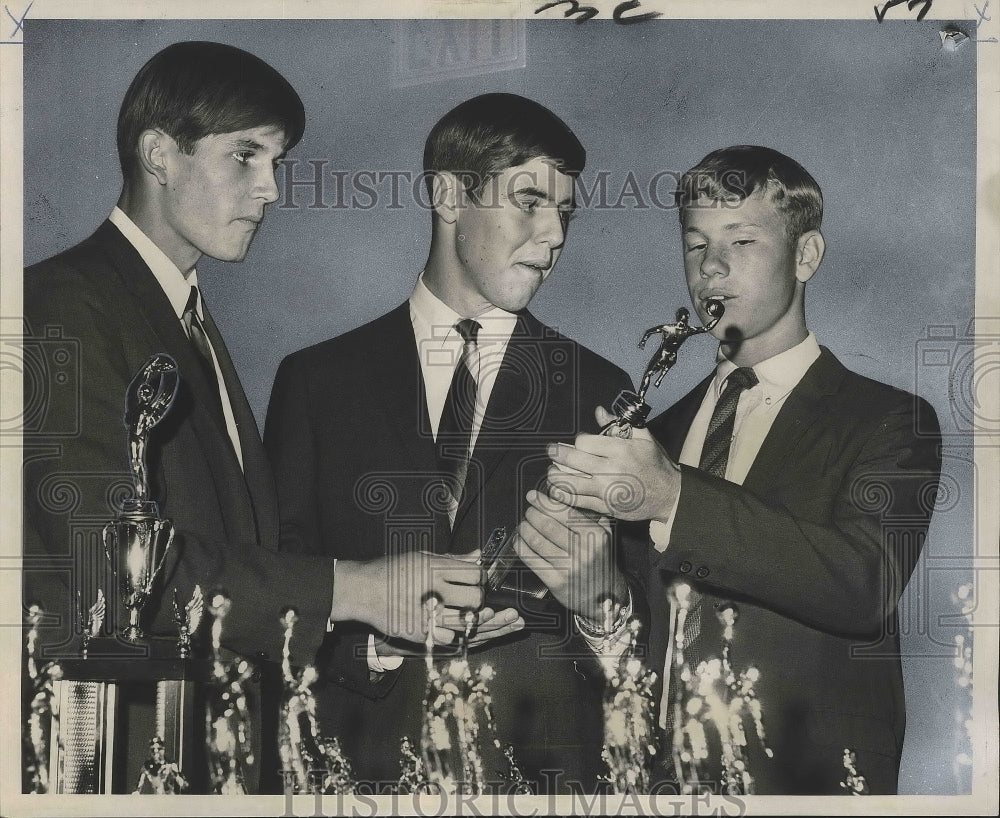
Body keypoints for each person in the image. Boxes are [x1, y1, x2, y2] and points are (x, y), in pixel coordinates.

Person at [22, 40, 485, 792]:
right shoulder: (58, 307)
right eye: (246, 156)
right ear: (158, 154)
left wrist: (376, 634)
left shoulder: (184, 317)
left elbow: (230, 564)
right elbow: (108, 576)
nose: (271, 189)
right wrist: (357, 587)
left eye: (279, 162)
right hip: (115, 763)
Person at [524, 145, 942, 794]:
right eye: (695, 245)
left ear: (806, 256)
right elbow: (632, 652)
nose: (711, 268)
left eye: (742, 240)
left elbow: (865, 587)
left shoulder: (889, 421)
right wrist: (595, 599)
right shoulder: (655, 437)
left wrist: (673, 497)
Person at [265, 93, 633, 793]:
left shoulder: (603, 392)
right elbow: (279, 582)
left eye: (565, 213)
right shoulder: (317, 381)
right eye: (529, 201)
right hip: (358, 776)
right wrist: (369, 642)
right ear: (446, 195)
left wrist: (599, 602)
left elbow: (641, 623)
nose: (554, 235)